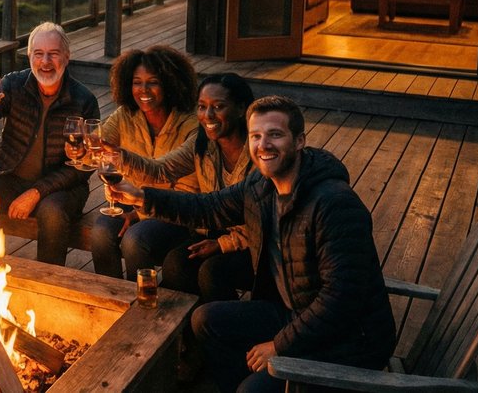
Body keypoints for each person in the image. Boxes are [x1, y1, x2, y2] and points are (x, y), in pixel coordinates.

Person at [108, 95, 396, 393]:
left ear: (299, 141)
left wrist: (279, 345)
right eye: (256, 136)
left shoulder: (335, 205)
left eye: (275, 134)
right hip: (294, 311)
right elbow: (207, 207)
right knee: (205, 319)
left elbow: (341, 300)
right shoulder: (261, 185)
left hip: (351, 339)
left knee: (252, 390)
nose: (263, 145)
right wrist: (142, 197)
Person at [0, 21, 100, 265]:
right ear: (29, 57)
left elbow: (85, 166)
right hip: (12, 178)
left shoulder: (84, 100)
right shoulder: (13, 84)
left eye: (53, 54)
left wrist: (37, 192)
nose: (45, 61)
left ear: (66, 57)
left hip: (62, 188)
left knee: (52, 213)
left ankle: (48, 279)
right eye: (38, 54)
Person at [115, 72, 256, 301]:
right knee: (176, 263)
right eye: (202, 107)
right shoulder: (202, 144)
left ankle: (221, 319)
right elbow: (160, 169)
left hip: (253, 243)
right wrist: (118, 156)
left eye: (218, 106)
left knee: (211, 272)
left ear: (241, 109)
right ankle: (184, 321)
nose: (208, 115)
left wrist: (222, 244)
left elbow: (264, 222)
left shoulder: (258, 152)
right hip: (211, 230)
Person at [87, 46, 200, 279]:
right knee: (100, 233)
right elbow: (99, 148)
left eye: (153, 82)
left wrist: (140, 214)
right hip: (132, 200)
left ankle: (141, 298)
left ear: (170, 84)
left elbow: (188, 191)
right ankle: (112, 294)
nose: (143, 90)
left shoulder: (190, 126)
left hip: (174, 210)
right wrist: (84, 149)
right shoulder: (125, 115)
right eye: (137, 82)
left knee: (134, 239)